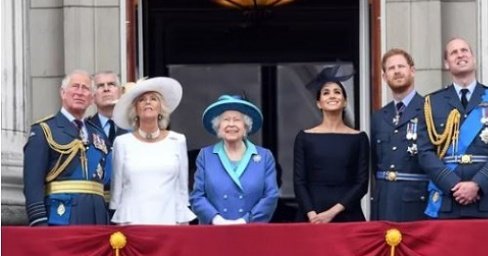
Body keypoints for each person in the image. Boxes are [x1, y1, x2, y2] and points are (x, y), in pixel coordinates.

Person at [417, 38, 488, 219]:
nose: (460, 55)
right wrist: (453, 184)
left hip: (486, 200)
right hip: (447, 199)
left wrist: (477, 184)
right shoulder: (431, 103)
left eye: (464, 50)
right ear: (447, 63)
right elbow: (425, 152)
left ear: (473, 58)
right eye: (454, 52)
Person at [23, 70, 111, 226]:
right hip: (61, 218)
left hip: (97, 220)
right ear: (63, 93)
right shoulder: (44, 130)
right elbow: (33, 184)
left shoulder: (99, 134)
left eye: (85, 88)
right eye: (75, 86)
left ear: (91, 98)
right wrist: (39, 222)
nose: (79, 92)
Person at [110, 77, 196, 225]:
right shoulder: (122, 142)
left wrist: (183, 223)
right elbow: (116, 192)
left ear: (161, 108)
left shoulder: (177, 141)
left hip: (169, 220)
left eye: (153, 99)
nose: (148, 102)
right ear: (135, 109)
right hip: (132, 222)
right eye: (142, 100)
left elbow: (182, 191)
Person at [293, 66, 369, 223]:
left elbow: (361, 183)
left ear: (345, 101)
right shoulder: (304, 137)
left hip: (347, 215)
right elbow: (299, 182)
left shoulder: (359, 138)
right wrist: (312, 214)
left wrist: (332, 212)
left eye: (337, 92)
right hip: (311, 217)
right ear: (319, 103)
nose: (332, 96)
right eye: (326, 93)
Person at [190, 95, 279, 225]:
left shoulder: (264, 156)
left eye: (236, 120)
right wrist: (216, 220)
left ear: (246, 126)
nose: (231, 124)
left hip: (251, 231)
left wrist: (245, 220)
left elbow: (270, 196)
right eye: (226, 120)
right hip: (214, 232)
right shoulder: (206, 155)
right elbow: (197, 196)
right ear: (218, 126)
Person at [371, 48, 429, 221]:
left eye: (401, 66)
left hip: (417, 203)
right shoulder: (379, 116)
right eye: (391, 68)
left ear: (412, 71)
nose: (396, 71)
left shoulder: (429, 109)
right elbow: (375, 163)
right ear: (384, 76)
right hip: (384, 202)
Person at [88, 71, 129, 204]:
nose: (106, 89)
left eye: (111, 84)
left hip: (127, 203)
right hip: (95, 204)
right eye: (100, 86)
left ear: (121, 92)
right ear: (93, 97)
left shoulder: (135, 128)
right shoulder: (83, 130)